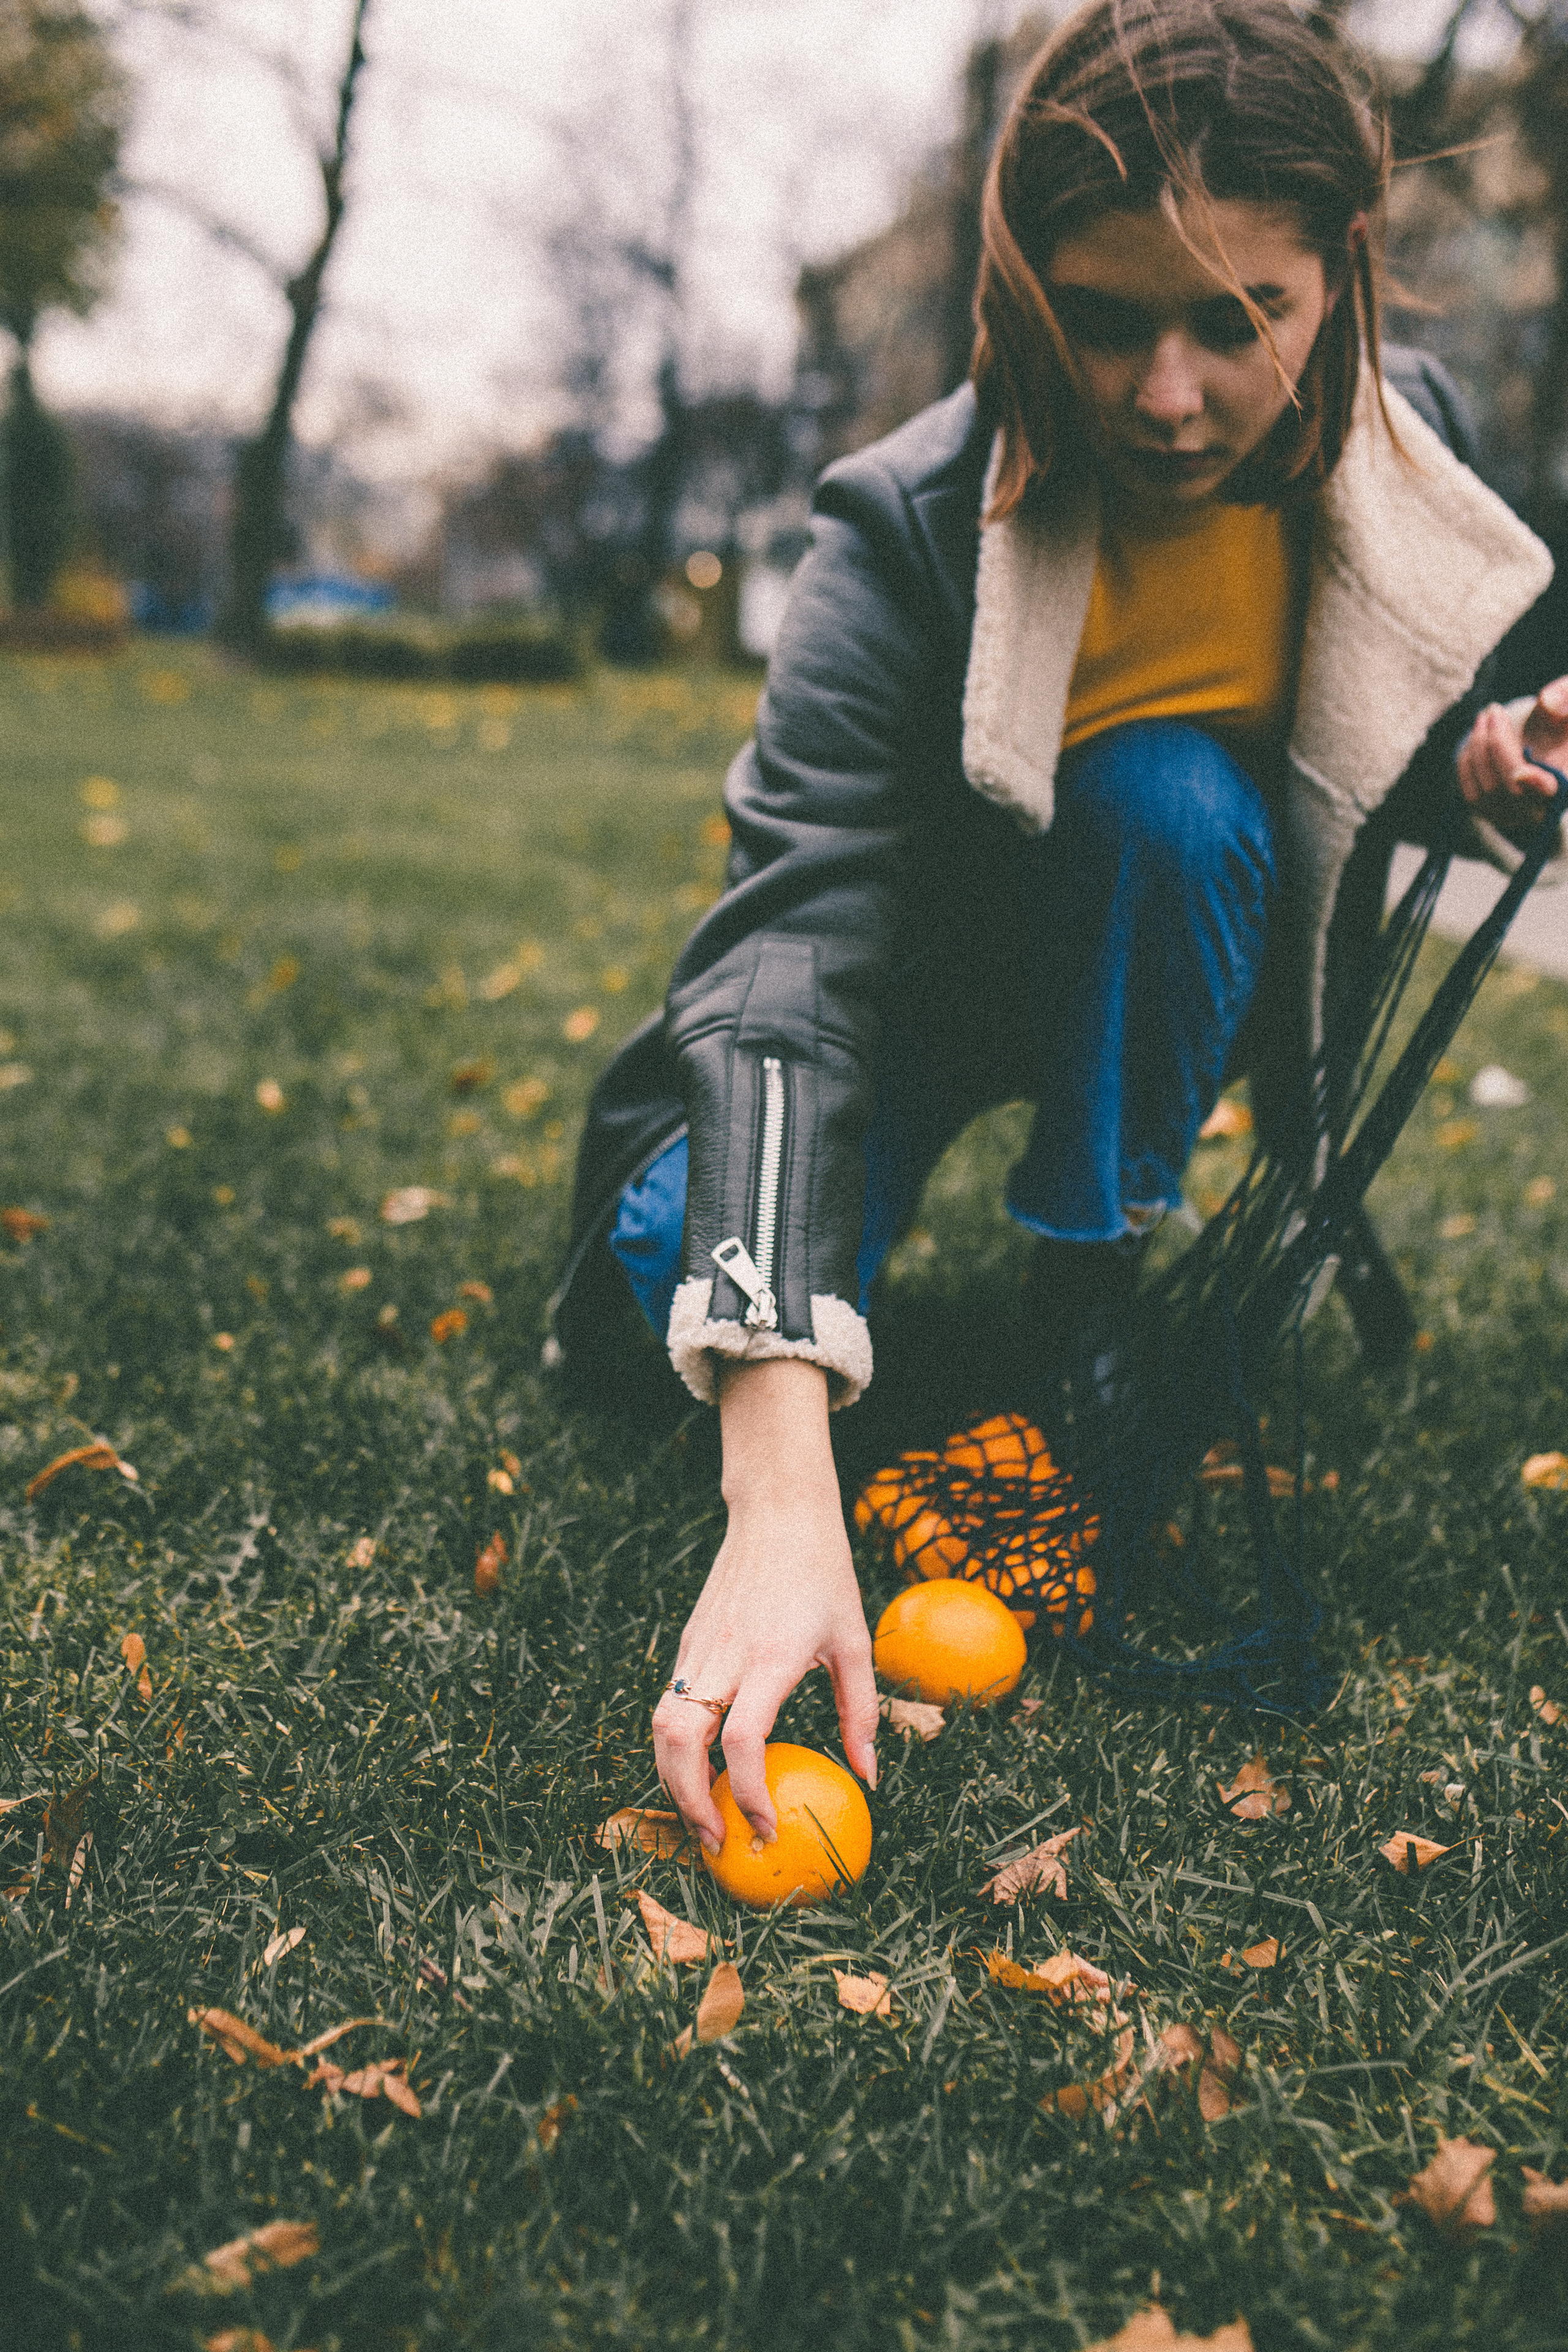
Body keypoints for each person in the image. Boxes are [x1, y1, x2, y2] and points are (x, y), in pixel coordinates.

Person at [551, 0, 1565, 1855]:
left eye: (1234, 317)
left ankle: (1080, 1277)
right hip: (905, 1006)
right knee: (656, 1320)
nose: (1167, 395)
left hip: (1143, 954)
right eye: (1107, 323)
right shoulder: (913, 521)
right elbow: (794, 946)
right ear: (1027, 290)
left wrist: (1473, 767)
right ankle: (817, 1300)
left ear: (1337, 275)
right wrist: (785, 1501)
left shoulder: (1403, 449)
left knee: (1174, 796)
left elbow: (1330, 750)